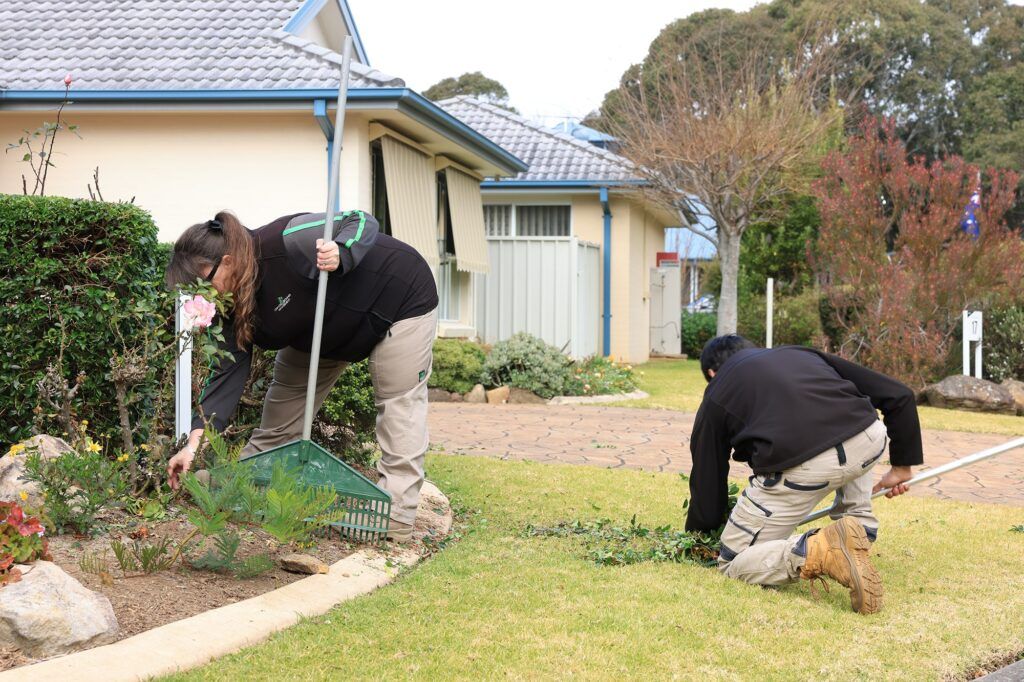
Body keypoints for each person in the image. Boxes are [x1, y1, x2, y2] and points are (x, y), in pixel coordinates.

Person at [164, 210, 438, 542]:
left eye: (204, 283)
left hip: (398, 298)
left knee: (399, 404)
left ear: (229, 261)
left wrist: (342, 249)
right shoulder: (226, 307)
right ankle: (244, 486)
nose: (202, 296)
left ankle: (396, 513)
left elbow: (360, 220)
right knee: (279, 418)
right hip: (323, 331)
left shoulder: (286, 241)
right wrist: (192, 448)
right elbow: (224, 380)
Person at [685, 335, 923, 614]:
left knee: (732, 561)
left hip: (804, 468)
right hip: (869, 441)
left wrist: (700, 534)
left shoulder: (716, 391)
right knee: (846, 421)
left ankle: (820, 550)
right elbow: (899, 395)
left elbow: (708, 478)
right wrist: (901, 467)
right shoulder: (800, 353)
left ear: (712, 373)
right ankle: (859, 526)